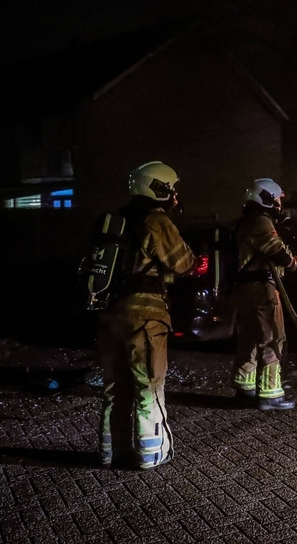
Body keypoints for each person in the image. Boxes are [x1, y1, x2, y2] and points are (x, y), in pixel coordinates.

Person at [98, 161, 195, 469]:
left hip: (111, 315)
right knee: (147, 387)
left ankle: (110, 452)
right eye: (172, 189)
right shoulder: (155, 220)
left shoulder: (118, 221)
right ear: (159, 188)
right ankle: (151, 454)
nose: (175, 195)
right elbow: (184, 263)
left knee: (114, 389)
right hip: (145, 319)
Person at [229, 177, 297, 411]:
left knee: (250, 338)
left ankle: (245, 387)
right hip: (262, 289)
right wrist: (294, 258)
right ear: (268, 199)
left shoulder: (245, 222)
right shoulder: (261, 221)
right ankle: (271, 395)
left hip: (246, 289)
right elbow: (280, 254)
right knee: (272, 338)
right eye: (278, 200)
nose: (280, 204)